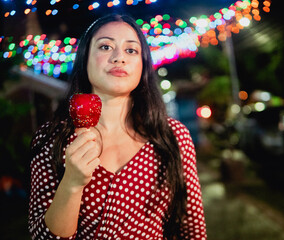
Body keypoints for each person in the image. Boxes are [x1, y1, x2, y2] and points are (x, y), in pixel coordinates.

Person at [29, 14, 207, 240]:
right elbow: (42, 237)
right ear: (84, 60)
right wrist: (72, 182)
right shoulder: (50, 139)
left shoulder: (173, 136)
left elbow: (191, 230)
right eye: (105, 46)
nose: (118, 57)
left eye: (131, 50)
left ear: (143, 65)